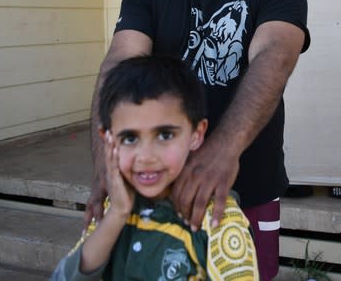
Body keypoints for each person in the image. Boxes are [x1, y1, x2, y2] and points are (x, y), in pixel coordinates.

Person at [85, 0, 310, 281]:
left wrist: (222, 152)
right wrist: (104, 160)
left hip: (248, 186)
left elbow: (273, 59)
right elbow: (119, 64)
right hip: (152, 187)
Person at [53, 55, 258, 281]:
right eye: (130, 138)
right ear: (108, 140)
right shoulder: (112, 204)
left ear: (196, 134)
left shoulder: (219, 221)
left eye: (165, 135)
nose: (147, 156)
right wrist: (117, 214)